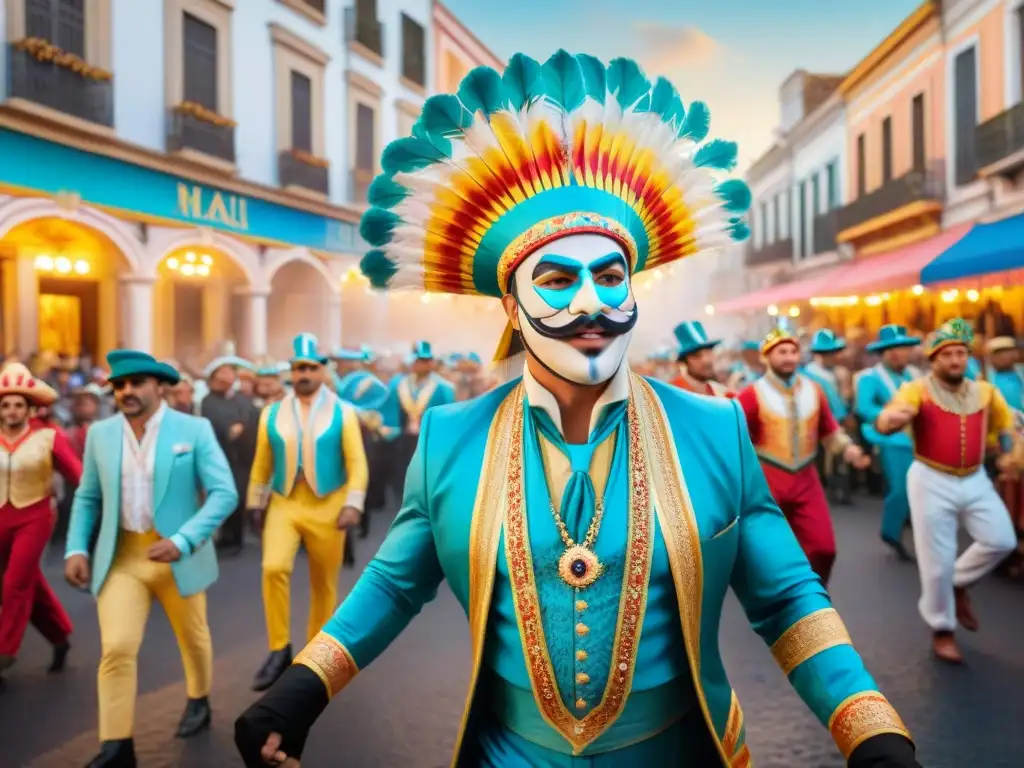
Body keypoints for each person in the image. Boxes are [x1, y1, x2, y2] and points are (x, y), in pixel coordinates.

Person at [235, 51, 919, 768]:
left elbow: (785, 600)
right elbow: (394, 582)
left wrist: (869, 729)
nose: (589, 300)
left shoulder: (714, 430)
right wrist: (302, 690)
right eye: (558, 278)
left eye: (610, 275)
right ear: (512, 305)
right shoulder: (450, 438)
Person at [64, 350, 237, 767]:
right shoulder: (102, 435)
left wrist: (185, 539)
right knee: (117, 648)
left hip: (177, 555)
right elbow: (87, 497)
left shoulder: (193, 429)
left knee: (193, 637)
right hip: (122, 557)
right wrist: (75, 547)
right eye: (119, 385)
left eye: (136, 382)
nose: (127, 391)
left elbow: (224, 492)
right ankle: (116, 745)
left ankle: (199, 699)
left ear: (159, 385)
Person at [875, 319, 1019, 664]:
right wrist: (893, 418)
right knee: (935, 559)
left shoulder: (986, 391)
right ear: (934, 359)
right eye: (948, 355)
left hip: (974, 478)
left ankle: (957, 583)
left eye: (961, 354)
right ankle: (942, 629)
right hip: (930, 478)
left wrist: (1013, 452)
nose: (956, 361)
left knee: (1002, 540)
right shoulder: (917, 390)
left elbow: (1006, 425)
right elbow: (886, 418)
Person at [246, 333, 369, 693]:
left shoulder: (343, 412)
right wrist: (255, 503)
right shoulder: (271, 413)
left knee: (323, 583)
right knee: (273, 567)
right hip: (285, 502)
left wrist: (352, 503)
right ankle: (278, 648)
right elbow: (262, 464)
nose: (303, 374)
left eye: (311, 368)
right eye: (298, 367)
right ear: (290, 371)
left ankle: (315, 658)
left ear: (323, 371)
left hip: (329, 504)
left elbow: (357, 463)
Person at [735, 322, 872, 584]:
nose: (788, 358)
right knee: (770, 558)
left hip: (807, 480)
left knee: (823, 550)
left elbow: (830, 432)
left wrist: (850, 451)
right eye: (781, 352)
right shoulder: (751, 394)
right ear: (767, 356)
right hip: (767, 483)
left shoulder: (814, 390)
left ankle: (811, 604)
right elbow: (736, 438)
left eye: (792, 352)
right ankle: (783, 610)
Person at [0, 363, 81, 675]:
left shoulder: (48, 437)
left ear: (30, 407)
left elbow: (79, 476)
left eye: (18, 404)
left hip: (35, 516)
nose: (11, 410)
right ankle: (59, 636)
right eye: (5, 404)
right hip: (1, 517)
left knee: (15, 582)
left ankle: (5, 653)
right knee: (27, 583)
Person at [855, 325, 922, 561]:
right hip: (892, 439)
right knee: (900, 489)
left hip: (920, 440)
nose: (897, 354)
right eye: (891, 349)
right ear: (882, 353)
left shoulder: (915, 375)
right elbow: (863, 407)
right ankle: (891, 532)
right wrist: (891, 415)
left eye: (902, 348)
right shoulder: (870, 378)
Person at [200, 345, 260, 555]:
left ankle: (236, 539)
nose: (230, 375)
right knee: (223, 496)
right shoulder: (208, 402)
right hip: (221, 455)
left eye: (231, 371)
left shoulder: (242, 399)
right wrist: (232, 429)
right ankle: (223, 537)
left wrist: (244, 427)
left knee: (242, 496)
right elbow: (217, 426)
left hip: (243, 457)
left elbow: (254, 418)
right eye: (225, 371)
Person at [380, 340, 455, 495]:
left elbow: (448, 416)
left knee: (426, 480)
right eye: (418, 360)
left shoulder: (443, 388)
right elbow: (391, 410)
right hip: (403, 440)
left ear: (431, 362)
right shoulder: (398, 384)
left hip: (429, 440)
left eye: (425, 361)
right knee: (401, 477)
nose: (420, 364)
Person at [802, 329, 853, 506]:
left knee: (841, 455)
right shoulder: (807, 374)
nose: (831, 356)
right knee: (819, 458)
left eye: (832, 352)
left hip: (836, 419)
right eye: (826, 353)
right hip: (815, 422)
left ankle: (841, 491)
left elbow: (841, 398)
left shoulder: (837, 373)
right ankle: (821, 491)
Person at [670, 321, 731, 397]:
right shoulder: (674, 392)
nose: (705, 360)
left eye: (708, 353)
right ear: (685, 361)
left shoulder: (720, 392)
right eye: (696, 356)